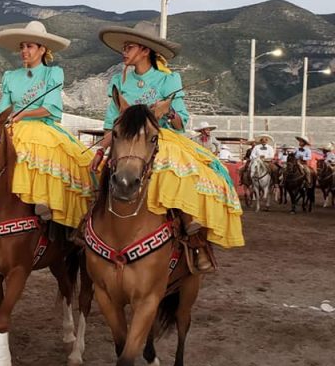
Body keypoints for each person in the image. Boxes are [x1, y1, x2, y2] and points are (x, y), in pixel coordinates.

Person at [92, 21, 244, 272]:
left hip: (162, 138)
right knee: (101, 172)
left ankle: (194, 238)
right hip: (128, 140)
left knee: (177, 168)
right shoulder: (119, 83)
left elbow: (180, 122)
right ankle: (89, 228)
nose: (124, 51)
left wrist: (168, 110)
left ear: (144, 50)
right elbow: (112, 124)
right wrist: (100, 151)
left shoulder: (168, 80)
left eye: (129, 47)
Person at [0, 21, 95, 230]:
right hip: (14, 125)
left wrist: (24, 114)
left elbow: (52, 108)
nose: (24, 51)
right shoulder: (10, 77)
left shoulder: (52, 74)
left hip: (41, 126)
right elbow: (2, 109)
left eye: (29, 46)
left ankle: (44, 202)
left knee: (34, 150)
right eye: (22, 47)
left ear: (42, 50)